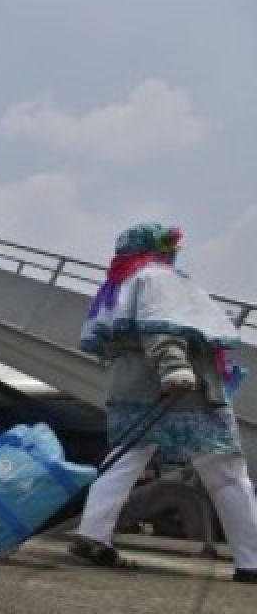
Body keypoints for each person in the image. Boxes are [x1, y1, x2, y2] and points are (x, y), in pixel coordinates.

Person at [70, 224, 257, 582]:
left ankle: (92, 533)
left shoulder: (121, 283)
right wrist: (176, 368)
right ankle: (252, 560)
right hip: (182, 391)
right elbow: (162, 326)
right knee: (227, 474)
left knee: (124, 460)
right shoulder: (157, 278)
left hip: (130, 388)